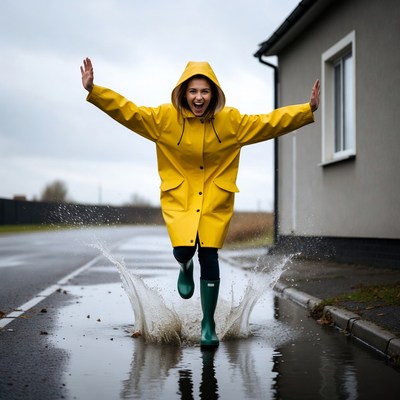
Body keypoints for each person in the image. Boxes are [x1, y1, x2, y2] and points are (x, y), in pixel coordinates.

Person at [80, 57, 320, 347]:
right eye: (193, 91)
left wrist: (306, 110)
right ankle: (184, 266)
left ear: (214, 93)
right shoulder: (164, 119)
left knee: (209, 255)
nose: (198, 97)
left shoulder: (231, 122)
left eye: (204, 91)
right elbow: (128, 112)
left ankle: (208, 324)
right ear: (183, 93)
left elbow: (268, 123)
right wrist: (95, 91)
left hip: (214, 200)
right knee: (183, 249)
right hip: (180, 197)